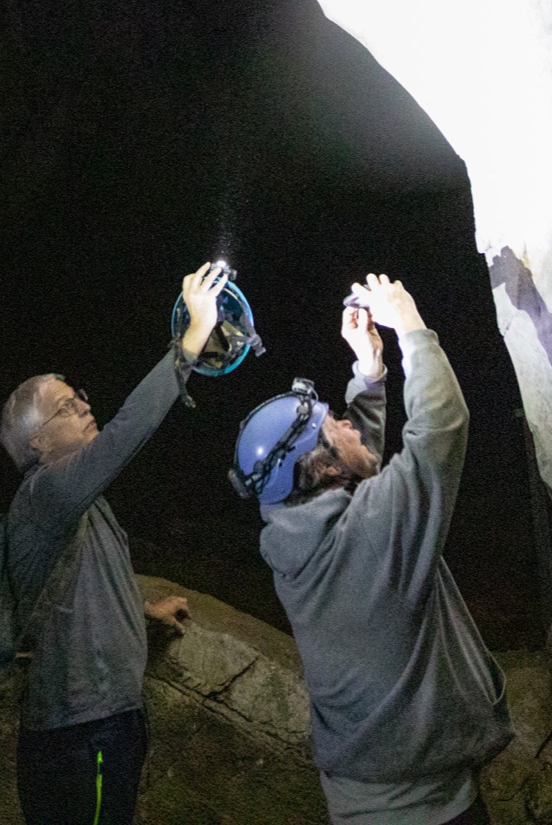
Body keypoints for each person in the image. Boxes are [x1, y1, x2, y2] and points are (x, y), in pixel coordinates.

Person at [231, 274, 512, 825]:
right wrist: (409, 324)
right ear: (329, 468)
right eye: (337, 424)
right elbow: (441, 428)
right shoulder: (368, 533)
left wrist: (369, 370)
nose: (348, 425)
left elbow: (353, 480)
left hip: (363, 801)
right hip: (427, 810)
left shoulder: (291, 531)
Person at [0, 260, 228, 825]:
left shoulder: (80, 502)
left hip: (102, 726)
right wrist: (189, 342)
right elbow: (127, 431)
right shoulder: (45, 494)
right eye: (66, 408)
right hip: (80, 735)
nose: (84, 407)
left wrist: (143, 612)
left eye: (80, 398)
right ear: (36, 442)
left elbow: (79, 587)